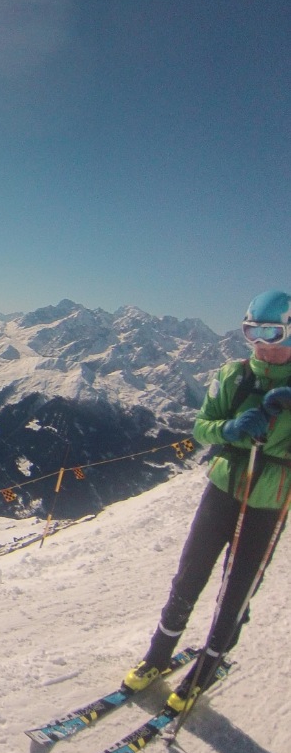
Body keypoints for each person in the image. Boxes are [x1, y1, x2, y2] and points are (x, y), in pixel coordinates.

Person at [123, 289, 291, 706]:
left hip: (269, 503)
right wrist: (229, 429)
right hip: (222, 490)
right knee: (189, 575)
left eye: (272, 334)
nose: (261, 345)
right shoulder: (234, 376)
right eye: (252, 332)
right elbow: (202, 427)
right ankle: (156, 657)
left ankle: (206, 670)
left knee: (237, 590)